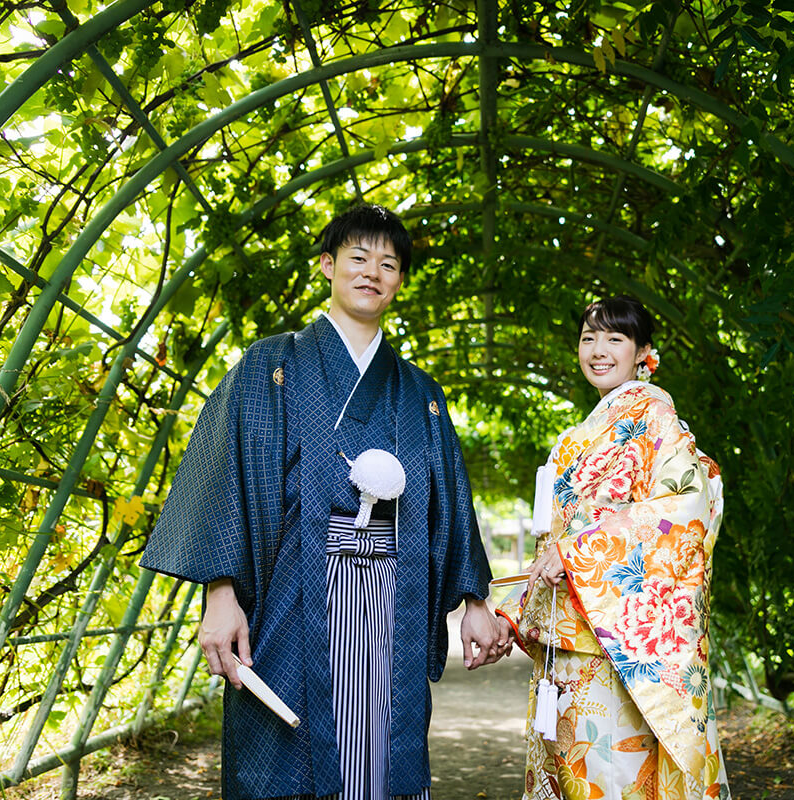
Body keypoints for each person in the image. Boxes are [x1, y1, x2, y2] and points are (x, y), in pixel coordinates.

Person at [141, 203, 506, 800]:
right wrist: (220, 593)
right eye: (358, 258)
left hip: (394, 603)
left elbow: (450, 504)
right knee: (282, 755)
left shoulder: (421, 393)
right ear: (328, 264)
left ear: (400, 281)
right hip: (290, 599)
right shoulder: (270, 365)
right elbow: (223, 479)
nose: (372, 272)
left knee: (382, 756)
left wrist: (474, 600)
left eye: (388, 264)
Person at [496, 295, 730, 799]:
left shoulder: (656, 420)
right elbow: (553, 543)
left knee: (613, 778)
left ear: (644, 352)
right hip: (567, 645)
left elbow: (688, 504)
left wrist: (580, 552)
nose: (598, 349)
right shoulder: (577, 437)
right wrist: (513, 615)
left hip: (614, 643)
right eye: (588, 338)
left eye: (614, 338)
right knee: (572, 775)